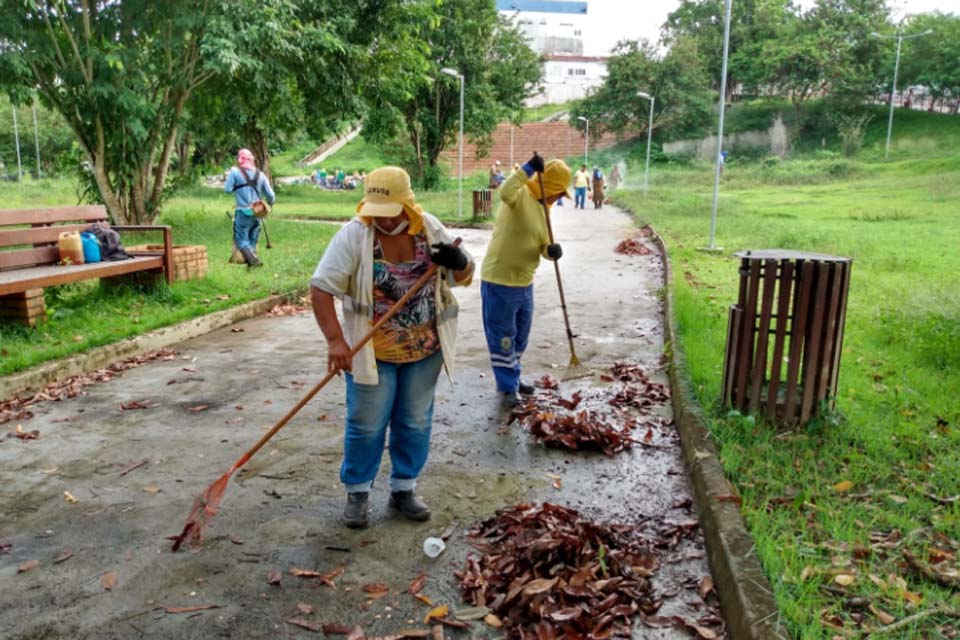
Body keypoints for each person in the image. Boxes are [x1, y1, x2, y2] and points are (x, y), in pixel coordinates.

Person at [309, 166, 475, 529]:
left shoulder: (429, 229)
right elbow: (321, 288)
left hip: (424, 350)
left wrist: (459, 263)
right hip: (372, 354)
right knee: (366, 425)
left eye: (390, 212)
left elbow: (462, 277)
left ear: (407, 205)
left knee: (414, 422)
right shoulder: (355, 235)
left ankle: (404, 488)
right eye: (375, 212)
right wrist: (337, 342)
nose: (381, 220)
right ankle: (358, 493)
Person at [481, 154, 570, 406]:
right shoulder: (520, 195)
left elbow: (542, 244)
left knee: (520, 336)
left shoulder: (544, 211)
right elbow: (504, 191)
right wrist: (528, 169)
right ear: (549, 187)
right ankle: (507, 386)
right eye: (558, 193)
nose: (558, 198)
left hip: (524, 283)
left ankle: (514, 377)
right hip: (499, 280)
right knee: (503, 336)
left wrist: (550, 251)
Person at [224, 149, 275, 268]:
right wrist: (270, 204)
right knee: (252, 237)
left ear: (240, 159)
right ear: (252, 159)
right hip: (258, 212)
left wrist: (238, 187)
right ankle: (251, 262)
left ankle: (254, 261)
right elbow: (271, 195)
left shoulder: (235, 172)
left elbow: (227, 189)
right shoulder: (260, 174)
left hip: (243, 211)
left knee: (241, 239)